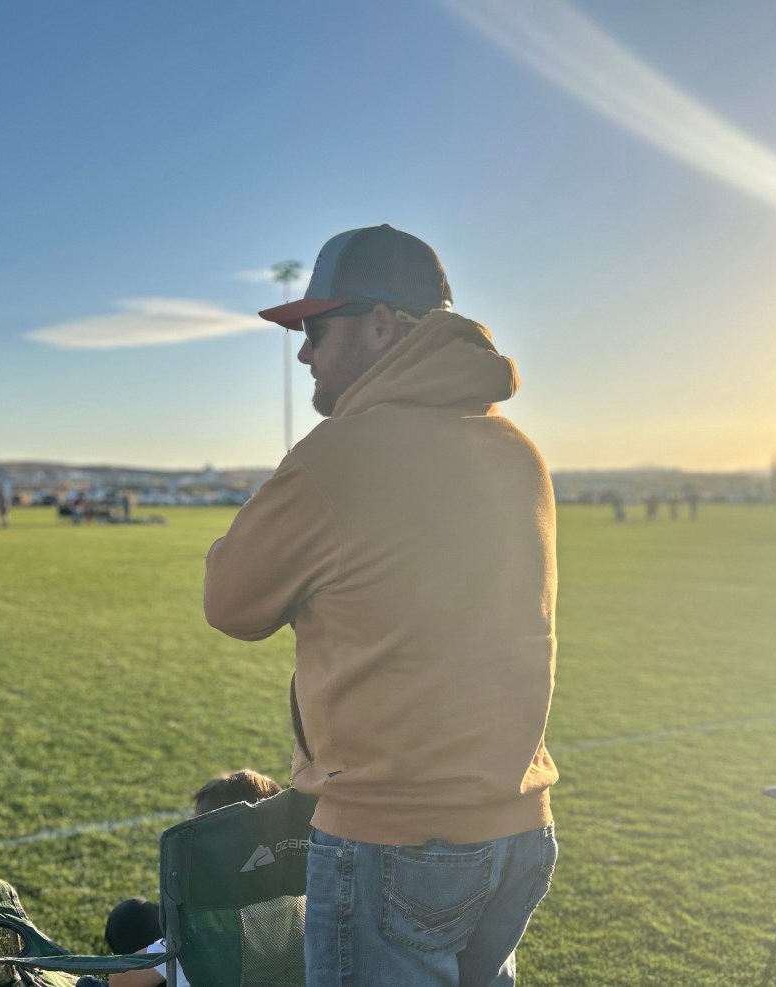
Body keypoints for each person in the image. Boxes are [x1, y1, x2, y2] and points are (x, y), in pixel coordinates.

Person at [203, 225, 559, 987]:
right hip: (518, 824)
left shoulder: (340, 453)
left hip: (393, 835)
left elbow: (230, 600)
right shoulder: (518, 450)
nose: (304, 353)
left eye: (314, 328)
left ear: (379, 324)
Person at [79, 769, 283, 987]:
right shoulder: (298, 896)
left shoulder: (209, 922)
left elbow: (122, 981)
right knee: (139, 913)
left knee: (128, 918)